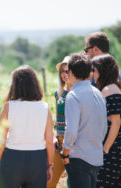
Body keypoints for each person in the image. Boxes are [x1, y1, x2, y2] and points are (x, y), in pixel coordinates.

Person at [0, 65, 54, 188]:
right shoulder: (44, 107)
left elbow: (1, 139)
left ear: (14, 85)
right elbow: (49, 140)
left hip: (12, 158)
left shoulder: (8, 107)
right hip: (37, 160)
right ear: (35, 84)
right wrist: (50, 165)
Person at [61, 53, 107, 188]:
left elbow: (71, 130)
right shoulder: (98, 93)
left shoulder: (73, 95)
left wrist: (65, 152)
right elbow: (103, 126)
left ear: (71, 73)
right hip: (96, 157)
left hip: (79, 158)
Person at [92, 55, 121, 188]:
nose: (92, 73)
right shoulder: (115, 87)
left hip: (112, 149)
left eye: (93, 69)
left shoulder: (108, 90)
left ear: (102, 70)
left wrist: (105, 149)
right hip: (119, 148)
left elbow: (116, 122)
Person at [47, 56, 72, 188]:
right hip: (60, 143)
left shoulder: (78, 92)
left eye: (68, 70)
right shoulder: (58, 93)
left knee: (73, 182)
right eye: (62, 71)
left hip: (75, 144)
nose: (64, 74)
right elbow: (58, 118)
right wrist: (56, 136)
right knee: (49, 182)